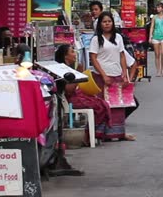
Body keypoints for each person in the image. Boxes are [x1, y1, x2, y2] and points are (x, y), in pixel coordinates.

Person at [88, 11, 134, 141]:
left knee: (118, 105)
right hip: (102, 76)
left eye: (109, 21)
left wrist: (124, 74)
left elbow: (122, 55)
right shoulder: (96, 39)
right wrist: (103, 75)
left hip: (116, 74)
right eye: (104, 22)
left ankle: (118, 133)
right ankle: (101, 134)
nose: (107, 24)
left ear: (113, 23)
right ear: (100, 24)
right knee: (103, 105)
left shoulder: (118, 37)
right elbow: (93, 58)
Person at [54, 44, 116, 141]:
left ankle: (96, 134)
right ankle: (92, 135)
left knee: (100, 102)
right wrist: (78, 73)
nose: (75, 54)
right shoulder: (62, 70)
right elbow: (69, 90)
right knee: (99, 105)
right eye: (72, 52)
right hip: (68, 100)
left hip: (73, 96)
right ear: (66, 56)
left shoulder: (67, 67)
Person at [149, 3, 163, 77]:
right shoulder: (154, 17)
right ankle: (158, 70)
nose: (157, 9)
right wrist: (150, 36)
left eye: (159, 7)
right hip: (156, 36)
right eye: (157, 7)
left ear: (162, 8)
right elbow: (152, 27)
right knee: (157, 54)